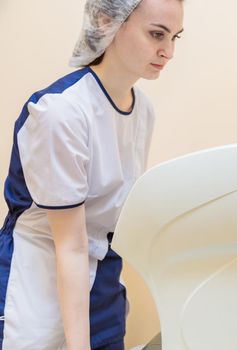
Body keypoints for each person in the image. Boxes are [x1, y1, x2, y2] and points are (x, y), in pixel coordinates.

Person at [0, 0, 183, 349]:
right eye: (157, 34)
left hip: (103, 282)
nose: (169, 50)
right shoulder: (61, 112)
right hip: (41, 279)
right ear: (105, 19)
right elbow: (70, 244)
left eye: (176, 37)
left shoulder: (144, 110)